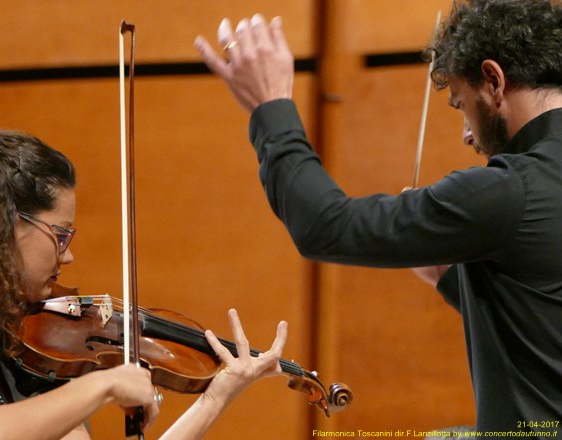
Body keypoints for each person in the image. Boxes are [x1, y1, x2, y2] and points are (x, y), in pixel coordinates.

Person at [195, 0, 562, 435]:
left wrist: (271, 108)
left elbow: (326, 226)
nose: (467, 135)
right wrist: (452, 278)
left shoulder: (509, 191)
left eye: (462, 105)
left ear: (494, 80)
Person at [0, 130, 288, 439]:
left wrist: (215, 400)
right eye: (61, 234)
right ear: (0, 225)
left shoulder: (18, 348)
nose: (67, 256)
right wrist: (104, 386)